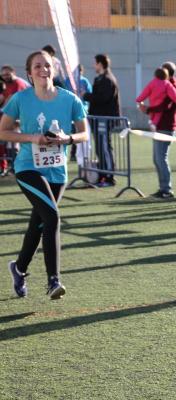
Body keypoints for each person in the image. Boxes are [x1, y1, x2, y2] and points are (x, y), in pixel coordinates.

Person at [0, 50, 88, 299]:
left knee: (38, 224)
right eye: (37, 66)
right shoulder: (20, 99)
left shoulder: (70, 99)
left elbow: (84, 133)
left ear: (54, 69)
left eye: (47, 65)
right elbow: (3, 131)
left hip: (57, 171)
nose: (43, 69)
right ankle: (53, 281)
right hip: (28, 167)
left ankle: (19, 268)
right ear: (29, 73)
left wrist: (66, 138)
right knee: (51, 217)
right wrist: (32, 138)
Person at [139, 61, 176, 199]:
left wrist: (148, 109)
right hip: (161, 126)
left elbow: (166, 106)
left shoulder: (172, 86)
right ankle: (163, 188)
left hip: (166, 126)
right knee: (157, 158)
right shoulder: (168, 85)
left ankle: (166, 189)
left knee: (161, 158)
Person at [82, 53, 121, 187]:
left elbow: (102, 98)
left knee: (104, 147)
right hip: (98, 119)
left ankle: (109, 177)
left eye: (95, 63)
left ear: (100, 64)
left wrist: (86, 95)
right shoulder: (100, 79)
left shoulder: (107, 79)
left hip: (104, 120)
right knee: (100, 148)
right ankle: (103, 175)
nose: (94, 65)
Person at [135, 67, 176, 132]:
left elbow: (145, 92)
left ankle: (151, 123)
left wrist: (139, 99)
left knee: (152, 115)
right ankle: (153, 125)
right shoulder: (167, 84)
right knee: (157, 116)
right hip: (159, 105)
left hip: (152, 105)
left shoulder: (152, 83)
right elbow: (172, 93)